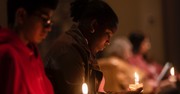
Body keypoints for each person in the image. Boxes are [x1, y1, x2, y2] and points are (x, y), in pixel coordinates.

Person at [44, 0, 118, 93]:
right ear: (93, 26)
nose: (108, 42)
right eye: (108, 34)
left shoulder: (83, 48)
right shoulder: (69, 51)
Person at [0, 0, 58, 94]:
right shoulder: (8, 56)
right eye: (44, 19)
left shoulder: (32, 53)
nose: (48, 28)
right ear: (21, 16)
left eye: (50, 21)